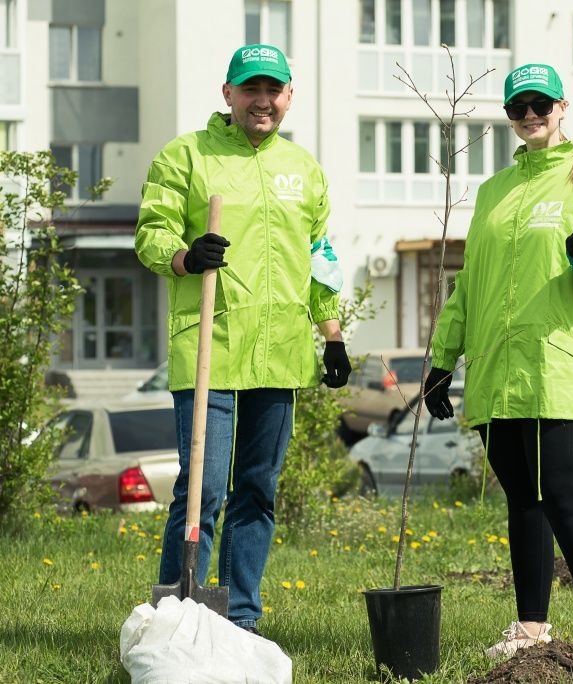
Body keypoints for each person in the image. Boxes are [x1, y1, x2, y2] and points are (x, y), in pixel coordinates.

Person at [425, 63, 573, 656]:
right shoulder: (496, 191)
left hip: (555, 370)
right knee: (523, 503)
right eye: (517, 107)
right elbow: (469, 286)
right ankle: (529, 631)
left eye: (540, 105)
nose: (529, 116)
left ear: (562, 106)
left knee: (566, 502)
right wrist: (443, 361)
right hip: (496, 374)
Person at [135, 43, 352, 635]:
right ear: (227, 94)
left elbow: (320, 258)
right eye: (250, 89)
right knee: (202, 489)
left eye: (273, 90)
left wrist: (331, 334)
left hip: (280, 352)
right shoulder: (186, 156)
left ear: (288, 97)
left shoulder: (303, 168)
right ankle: (176, 616)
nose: (262, 101)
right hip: (211, 346)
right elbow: (150, 233)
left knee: (257, 489)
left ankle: (239, 620)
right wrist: (184, 257)